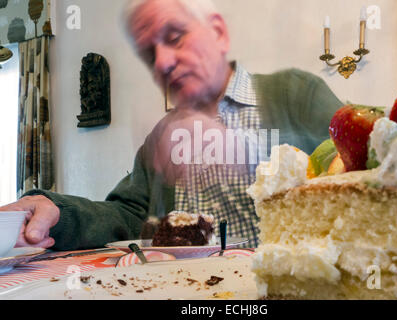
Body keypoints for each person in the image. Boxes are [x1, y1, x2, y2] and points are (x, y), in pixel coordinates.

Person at [0, 0, 343, 250]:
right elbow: (131, 215)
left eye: (176, 37)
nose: (162, 62)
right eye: (151, 54)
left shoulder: (296, 94)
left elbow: (371, 162)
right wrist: (58, 211)